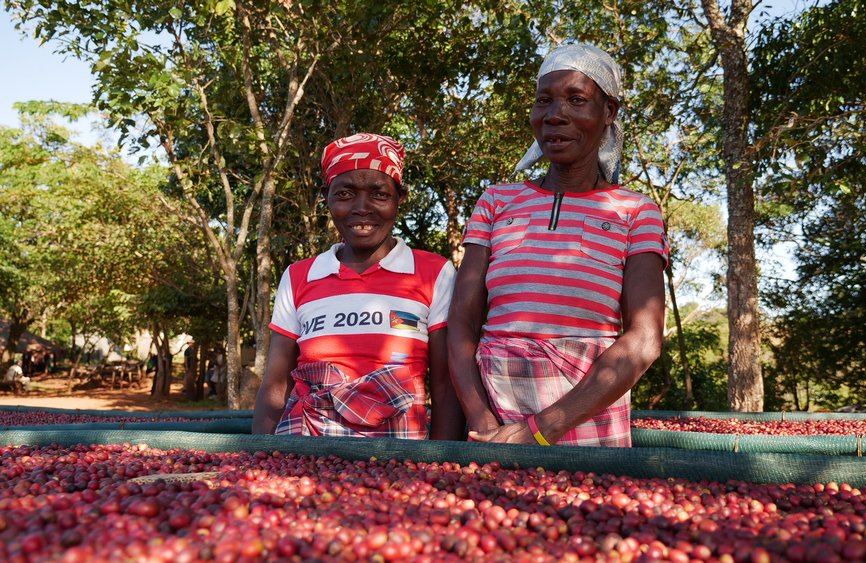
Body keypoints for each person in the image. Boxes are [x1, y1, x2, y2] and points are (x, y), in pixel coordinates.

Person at [448, 44, 668, 447]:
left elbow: (645, 338)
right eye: (544, 101)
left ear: (610, 113)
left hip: (587, 421)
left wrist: (541, 430)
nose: (554, 115)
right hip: (494, 420)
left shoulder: (635, 212)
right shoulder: (497, 202)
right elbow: (461, 322)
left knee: (585, 510)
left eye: (577, 100)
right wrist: (483, 421)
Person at [253, 133, 466, 440]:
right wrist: (260, 459)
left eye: (379, 194)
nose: (362, 208)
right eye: (345, 194)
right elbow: (276, 384)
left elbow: (446, 384)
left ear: (399, 199)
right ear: (327, 197)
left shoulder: (434, 273)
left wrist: (439, 464)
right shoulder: (300, 276)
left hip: (399, 457)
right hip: (306, 450)